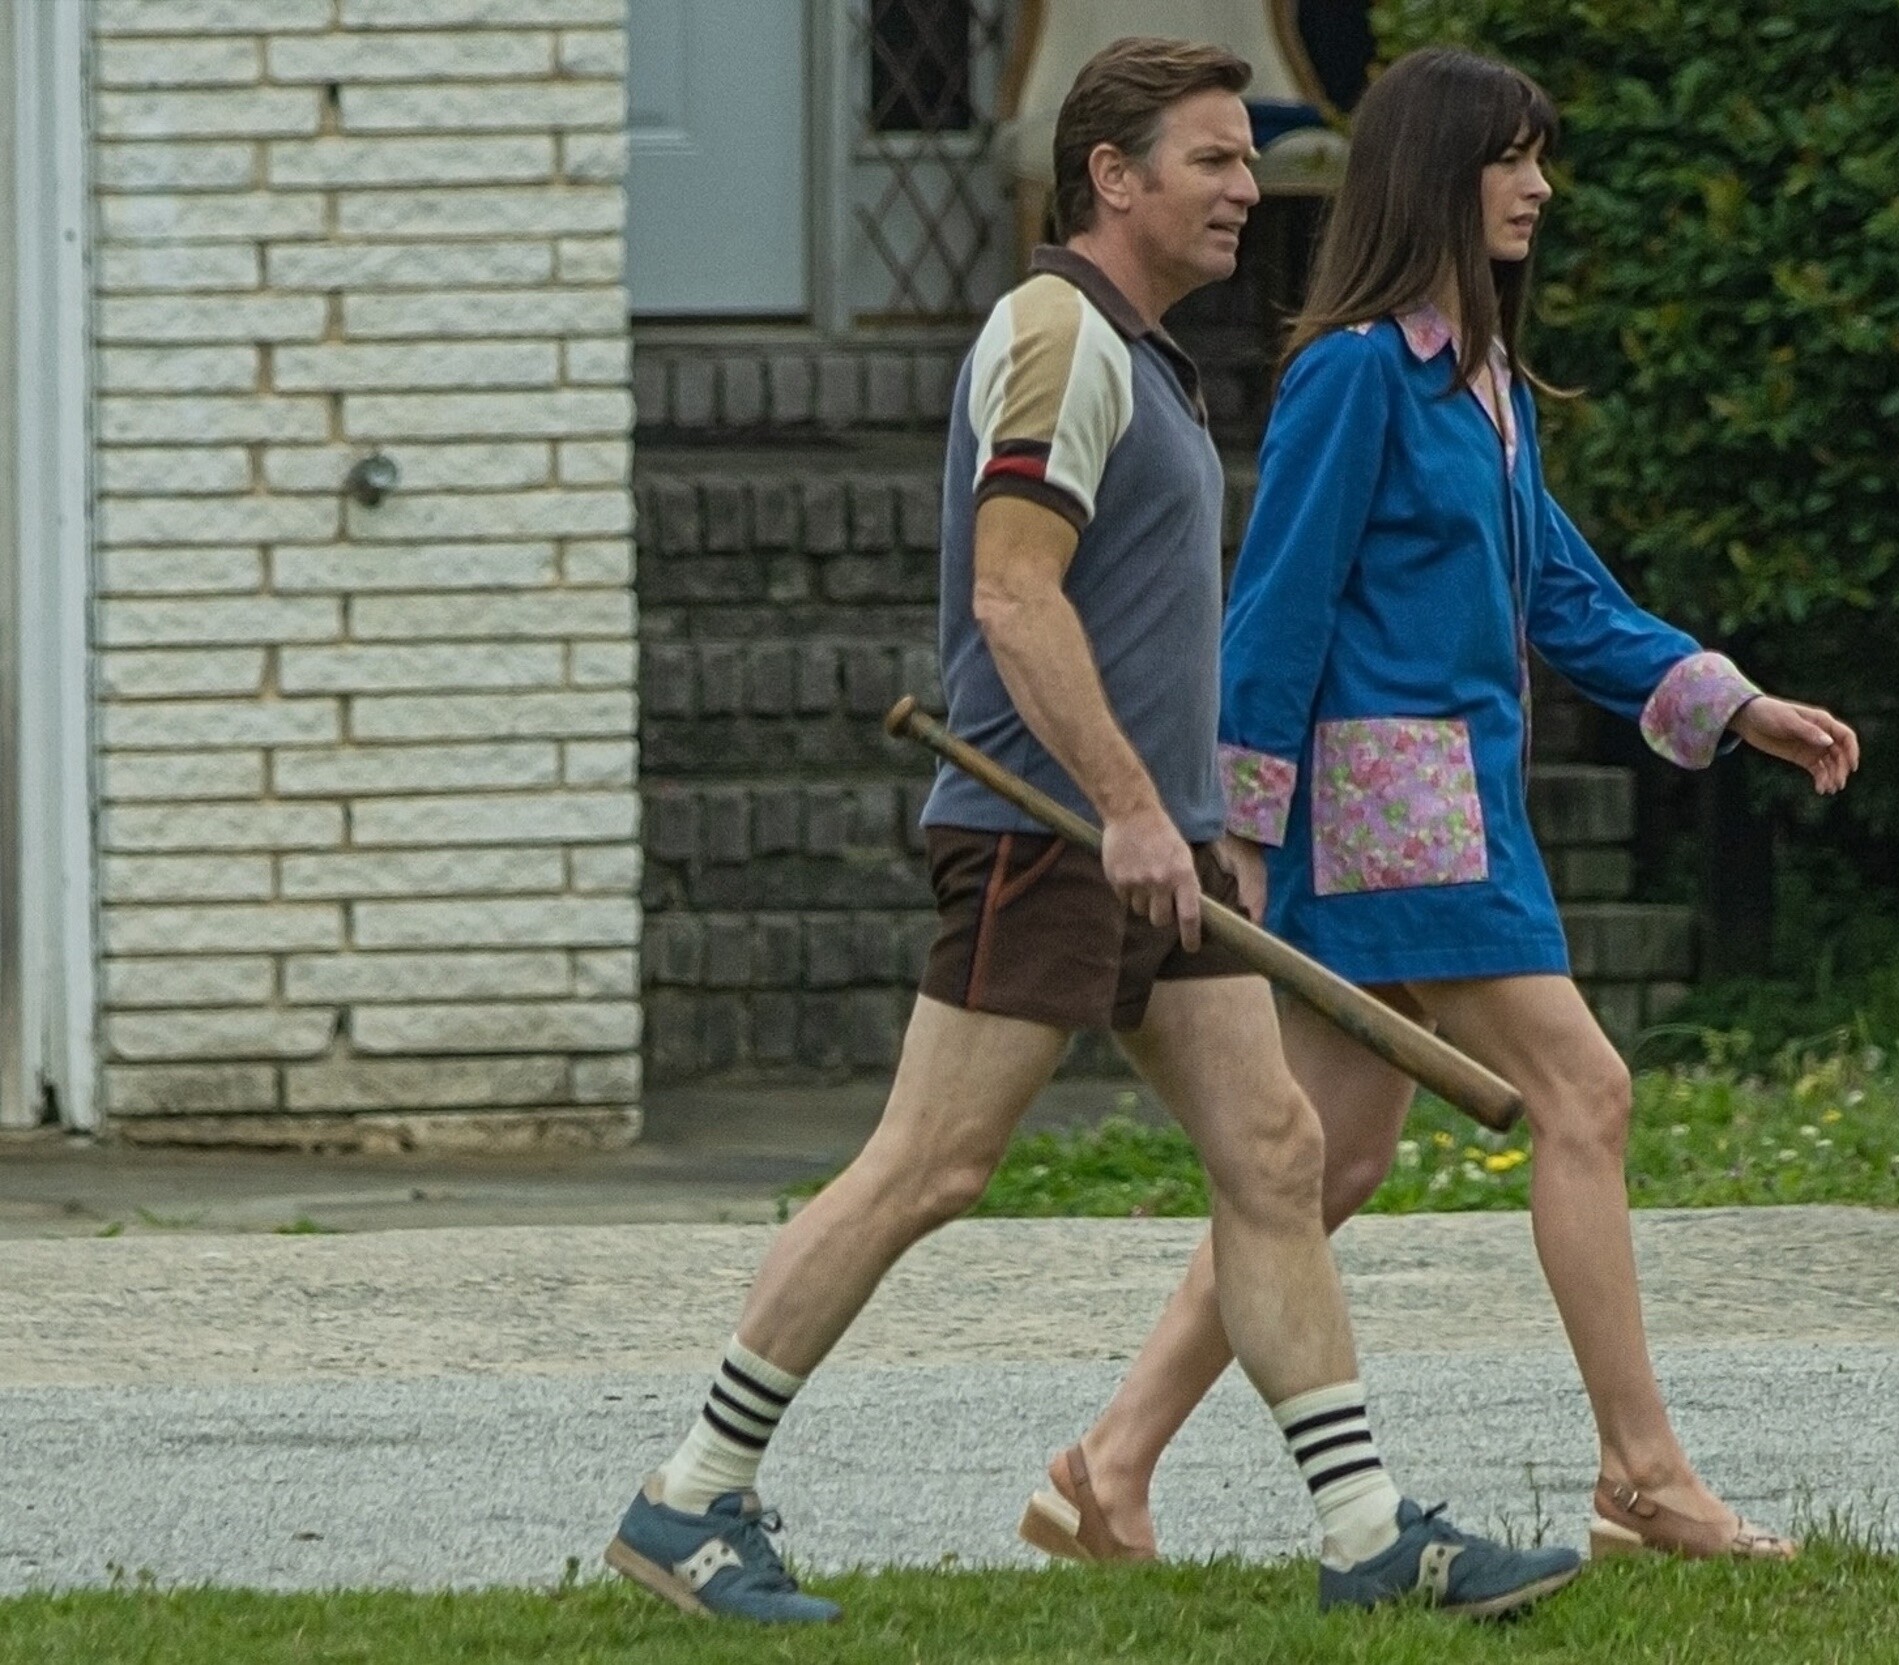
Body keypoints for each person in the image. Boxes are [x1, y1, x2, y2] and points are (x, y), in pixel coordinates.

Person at [602, 37, 1582, 1624]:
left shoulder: (1143, 353)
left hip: (1152, 840)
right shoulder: (1056, 335)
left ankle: (1364, 1531)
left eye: (1248, 158)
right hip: (1046, 828)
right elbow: (1012, 594)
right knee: (930, 1164)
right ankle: (691, 1494)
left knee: (1276, 1154)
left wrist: (1183, 820)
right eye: (1214, 159)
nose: (1249, 186)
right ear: (1112, 177)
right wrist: (1129, 808)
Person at [1018, 45, 1861, 1569]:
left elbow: (1564, 595)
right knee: (1586, 1093)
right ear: (1433, 178)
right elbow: (1277, 608)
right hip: (1395, 829)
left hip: (1449, 818)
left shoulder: (1484, 383)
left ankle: (1105, 1464)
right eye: (1509, 160)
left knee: (1322, 1164)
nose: (1539, 187)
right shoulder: (1356, 372)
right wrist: (1240, 830)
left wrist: (1731, 703)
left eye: (1539, 158)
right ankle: (1643, 1473)